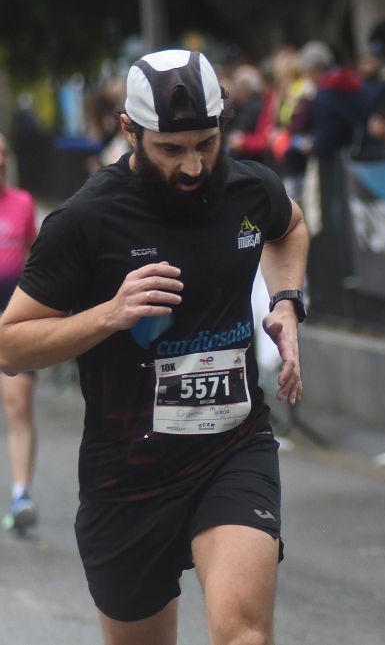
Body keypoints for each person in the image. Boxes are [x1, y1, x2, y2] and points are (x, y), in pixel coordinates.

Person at [0, 49, 308, 644]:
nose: (193, 166)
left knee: (246, 634)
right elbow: (9, 345)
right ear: (129, 132)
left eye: (206, 143)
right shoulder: (86, 220)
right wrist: (109, 315)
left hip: (232, 449)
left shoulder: (246, 189)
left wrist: (288, 302)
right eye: (172, 150)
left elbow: (289, 225)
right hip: (128, 476)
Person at [0, 132, 39, 534]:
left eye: (3, 155)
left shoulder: (23, 203)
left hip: (13, 317)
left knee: (18, 404)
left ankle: (21, 492)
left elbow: (37, 256)